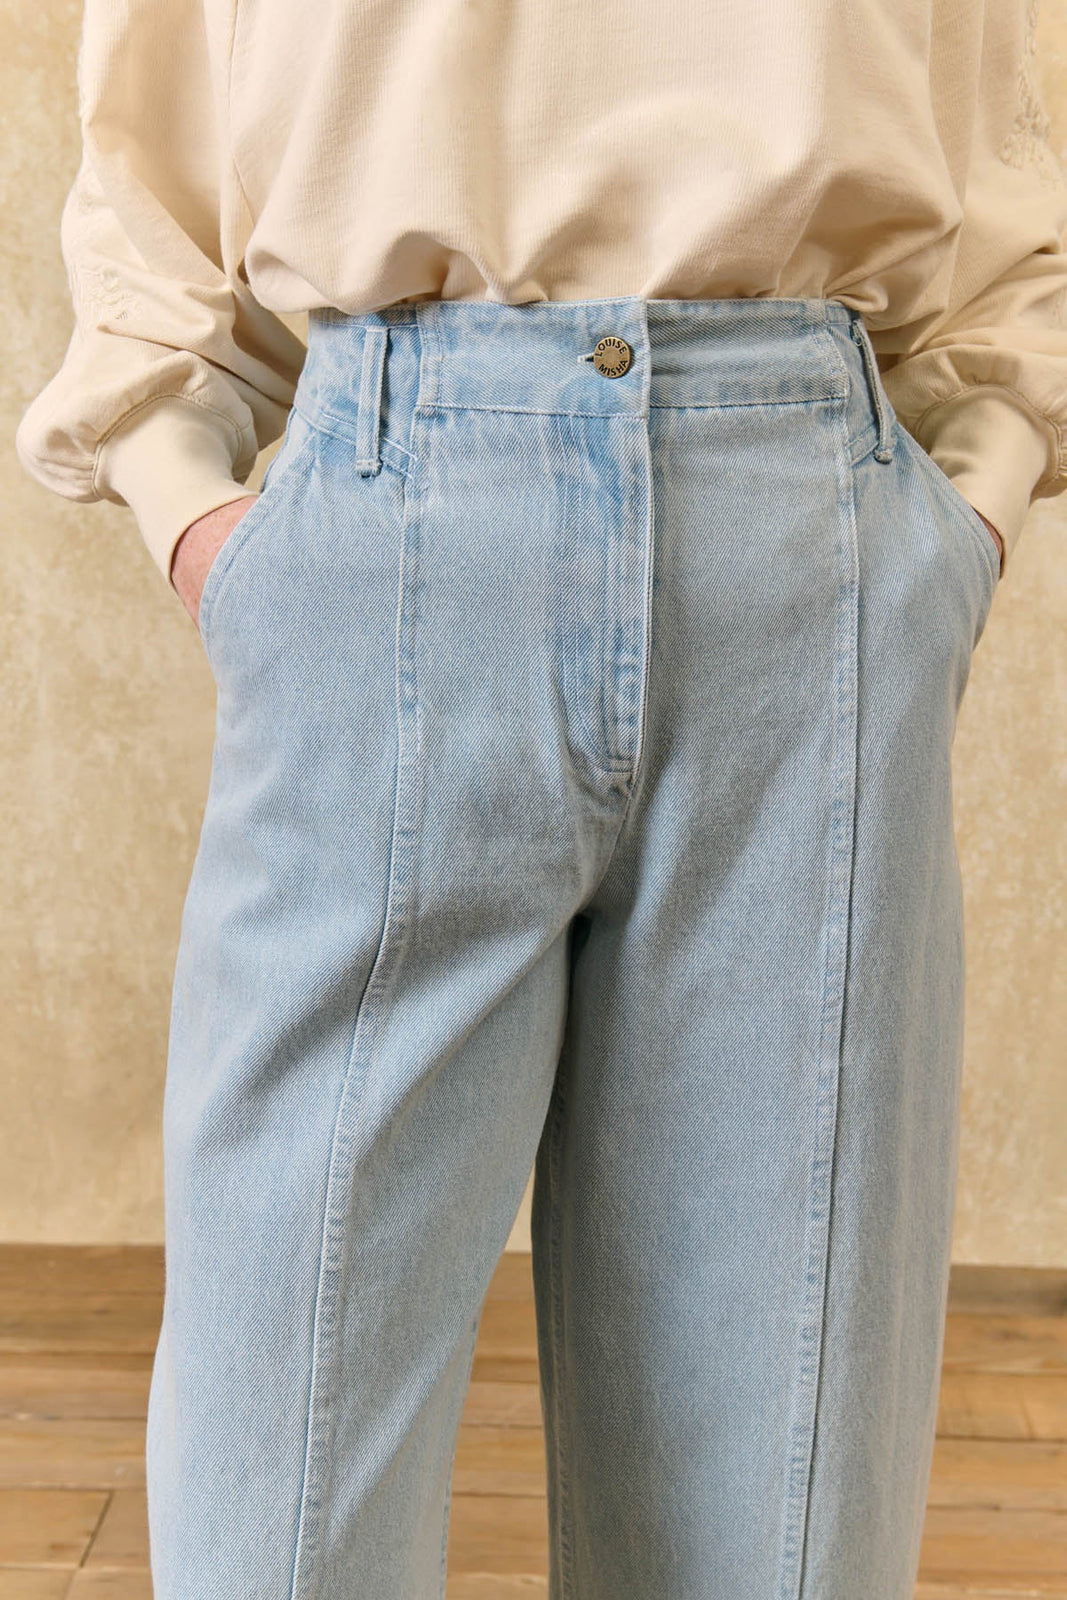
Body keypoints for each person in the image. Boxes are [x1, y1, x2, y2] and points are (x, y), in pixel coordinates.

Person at [15, 2, 1067, 1596]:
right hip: (391, 527)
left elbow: (990, 179)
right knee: (278, 1481)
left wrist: (967, 516)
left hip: (801, 545)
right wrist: (197, 519)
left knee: (772, 1513)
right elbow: (152, 176)